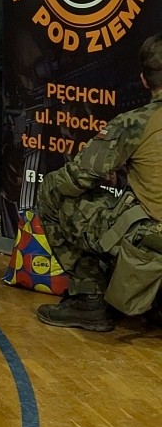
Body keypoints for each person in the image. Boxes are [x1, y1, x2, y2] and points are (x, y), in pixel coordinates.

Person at [36, 37, 162, 331]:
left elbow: (78, 176)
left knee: (52, 191)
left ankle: (89, 299)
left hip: (154, 238)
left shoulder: (136, 122)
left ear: (144, 80)